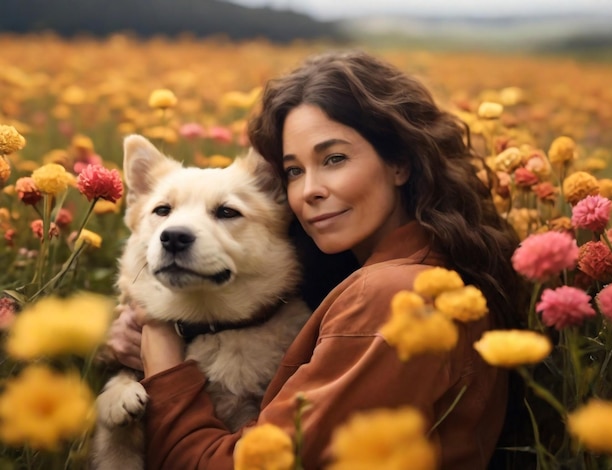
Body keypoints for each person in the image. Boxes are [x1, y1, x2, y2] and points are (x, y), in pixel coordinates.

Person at [110, 49, 526, 469]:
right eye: (293, 170)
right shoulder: (417, 267)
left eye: (334, 159)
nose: (309, 190)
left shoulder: (391, 297)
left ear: (399, 163)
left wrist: (159, 345)